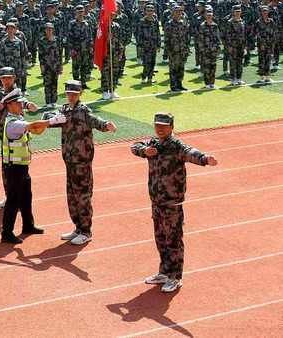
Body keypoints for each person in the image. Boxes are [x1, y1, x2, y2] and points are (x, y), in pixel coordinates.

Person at [130, 113, 218, 292]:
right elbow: (134, 146)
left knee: (174, 241)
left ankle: (175, 277)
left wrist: (205, 159)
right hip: (156, 201)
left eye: (164, 126)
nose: (160, 128)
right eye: (157, 125)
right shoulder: (152, 144)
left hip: (172, 203)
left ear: (171, 127)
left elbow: (190, 153)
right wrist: (143, 151)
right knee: (161, 238)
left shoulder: (176, 146)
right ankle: (164, 271)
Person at [44, 80, 117, 245]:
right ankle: (78, 227)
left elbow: (96, 121)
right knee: (71, 196)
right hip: (69, 160)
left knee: (83, 196)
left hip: (82, 162)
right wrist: (48, 119)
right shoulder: (64, 110)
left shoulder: (83, 112)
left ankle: (86, 231)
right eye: (69, 93)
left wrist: (107, 125)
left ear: (80, 94)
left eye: (74, 93)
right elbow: (50, 120)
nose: (71, 96)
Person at [0, 92, 52, 244]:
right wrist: (50, 120)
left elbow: (36, 130)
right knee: (13, 200)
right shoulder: (12, 123)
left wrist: (46, 122)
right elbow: (32, 126)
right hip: (14, 167)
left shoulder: (19, 119)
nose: (21, 105)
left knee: (26, 197)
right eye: (18, 103)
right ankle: (6, 232)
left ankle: (28, 225)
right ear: (9, 105)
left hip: (22, 166)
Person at [0, 67, 39, 209]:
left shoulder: (17, 93)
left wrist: (29, 105)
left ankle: (20, 199)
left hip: (18, 139)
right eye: (4, 78)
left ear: (14, 78)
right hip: (5, 139)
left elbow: (24, 102)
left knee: (20, 171)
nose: (6, 80)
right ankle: (10, 197)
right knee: (6, 170)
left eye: (9, 78)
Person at [38, 22, 62, 108]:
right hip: (46, 66)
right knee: (47, 84)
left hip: (55, 65)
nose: (49, 30)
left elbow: (59, 53)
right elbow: (40, 55)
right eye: (47, 29)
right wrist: (42, 66)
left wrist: (60, 66)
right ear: (45, 30)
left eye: (51, 29)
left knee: (55, 83)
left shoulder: (56, 39)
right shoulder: (41, 41)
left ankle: (54, 101)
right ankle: (48, 102)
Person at [198, 7, 221, 89]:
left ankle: (212, 83)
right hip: (206, 51)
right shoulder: (202, 26)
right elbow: (200, 40)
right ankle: (207, 83)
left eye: (210, 15)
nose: (209, 16)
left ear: (212, 15)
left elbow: (218, 38)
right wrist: (203, 50)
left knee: (213, 67)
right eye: (207, 15)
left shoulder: (215, 26)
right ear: (205, 16)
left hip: (214, 51)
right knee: (206, 68)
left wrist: (218, 48)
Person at [255, 6, 277, 83]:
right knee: (261, 61)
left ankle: (267, 77)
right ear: (261, 12)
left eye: (266, 11)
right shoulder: (258, 22)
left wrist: (273, 43)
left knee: (268, 60)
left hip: (270, 44)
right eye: (263, 11)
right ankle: (262, 77)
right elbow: (258, 34)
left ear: (268, 12)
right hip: (262, 45)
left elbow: (274, 32)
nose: (265, 13)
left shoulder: (271, 21)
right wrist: (262, 44)